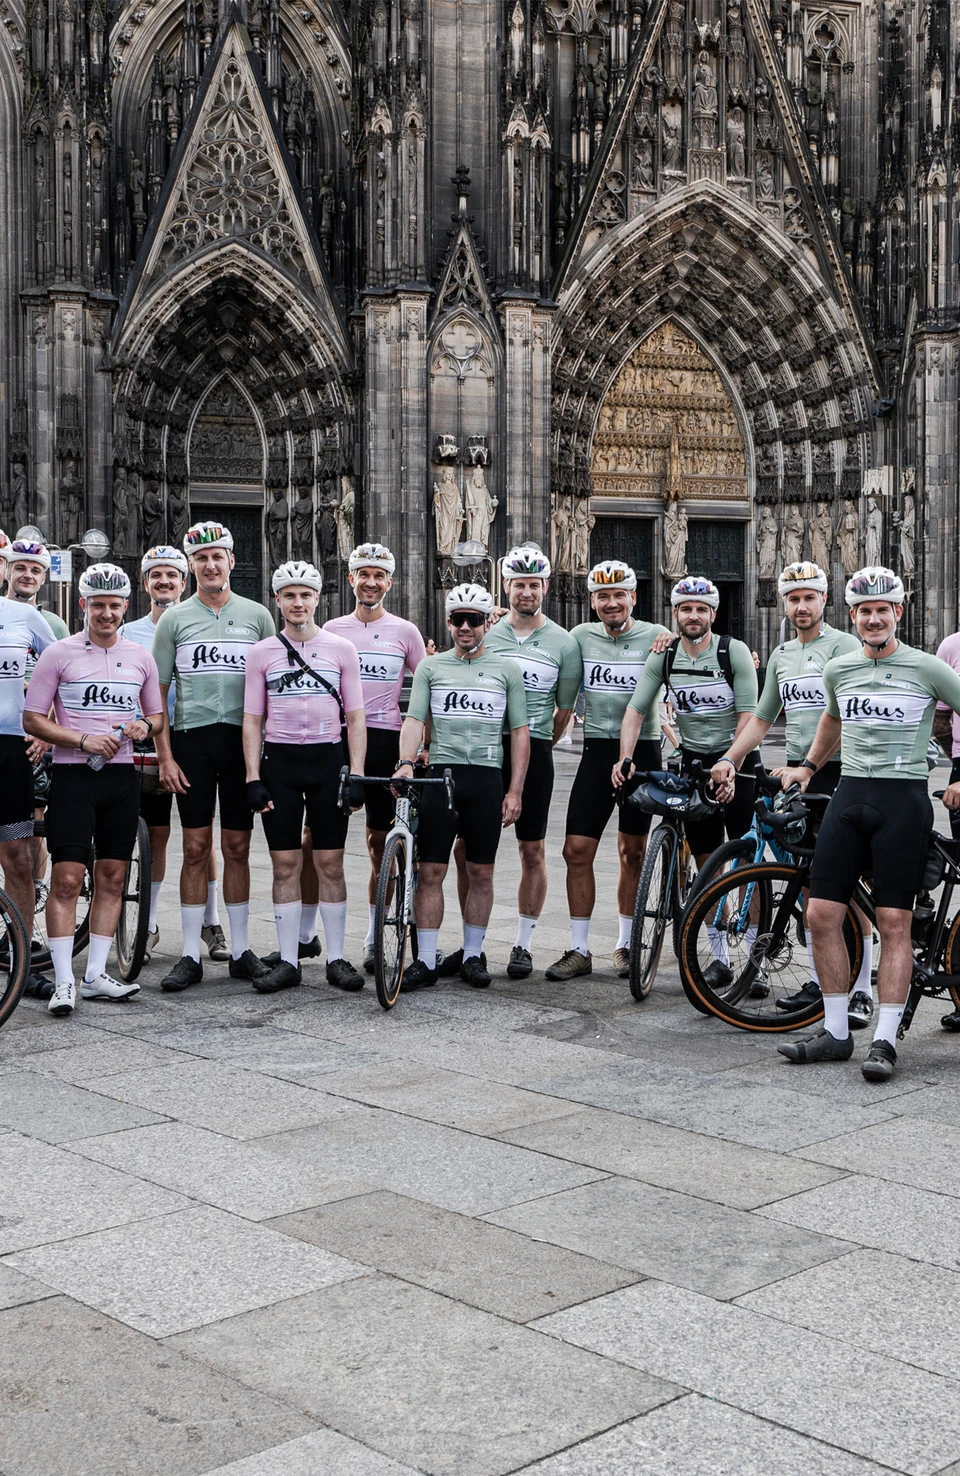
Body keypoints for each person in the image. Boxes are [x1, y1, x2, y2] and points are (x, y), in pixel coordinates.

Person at [774, 567, 960, 1081]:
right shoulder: (840, 670)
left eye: (883, 609)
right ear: (852, 616)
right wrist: (808, 767)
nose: (874, 618)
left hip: (902, 799)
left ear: (898, 613)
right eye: (865, 611)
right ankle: (836, 1033)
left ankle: (884, 1039)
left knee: (894, 923)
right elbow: (832, 719)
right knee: (820, 914)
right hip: (849, 794)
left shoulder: (927, 667)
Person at [709, 561, 872, 1024]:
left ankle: (860, 987)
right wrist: (730, 759)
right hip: (804, 776)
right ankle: (824, 981)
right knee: (812, 878)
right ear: (783, 605)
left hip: (842, 770)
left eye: (809, 597)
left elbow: (848, 716)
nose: (802, 606)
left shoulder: (847, 646)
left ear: (826, 600)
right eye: (794, 599)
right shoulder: (781, 654)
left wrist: (808, 764)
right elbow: (761, 718)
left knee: (846, 881)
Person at [23, 564, 164, 1015]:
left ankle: (96, 974)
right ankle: (64, 980)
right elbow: (33, 718)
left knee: (113, 877)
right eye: (98, 605)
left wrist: (145, 725)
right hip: (73, 776)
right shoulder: (59, 653)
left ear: (126, 607)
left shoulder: (141, 656)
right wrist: (81, 740)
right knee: (66, 879)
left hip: (121, 777)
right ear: (84, 605)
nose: (106, 613)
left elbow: (158, 717)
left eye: (114, 606)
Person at [614, 575, 759, 987]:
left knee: (747, 861)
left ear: (713, 614)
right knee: (708, 863)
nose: (693, 616)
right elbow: (636, 709)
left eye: (701, 609)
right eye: (685, 609)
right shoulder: (664, 656)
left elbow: (749, 715)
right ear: (674, 614)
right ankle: (720, 958)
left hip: (739, 758)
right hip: (695, 762)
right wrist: (625, 757)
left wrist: (732, 761)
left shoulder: (734, 653)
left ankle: (756, 961)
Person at [151, 521, 276, 991]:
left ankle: (242, 949)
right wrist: (165, 756)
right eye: (200, 558)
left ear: (231, 562)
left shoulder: (258, 616)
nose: (209, 564)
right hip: (193, 742)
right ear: (191, 566)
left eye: (216, 556)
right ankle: (188, 954)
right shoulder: (175, 619)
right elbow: (157, 694)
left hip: (242, 744)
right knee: (197, 848)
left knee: (238, 847)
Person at [455, 543, 582, 979]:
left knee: (532, 850)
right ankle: (471, 945)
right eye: (517, 584)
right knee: (465, 850)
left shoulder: (564, 642)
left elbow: (563, 709)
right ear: (504, 586)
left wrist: (538, 736)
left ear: (545, 587)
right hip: (485, 751)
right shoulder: (488, 633)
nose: (525, 592)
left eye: (533, 585)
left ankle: (523, 944)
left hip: (536, 751)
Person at [243, 561, 367, 993]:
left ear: (318, 599)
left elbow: (355, 716)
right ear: (277, 601)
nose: (298, 603)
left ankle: (336, 958)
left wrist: (358, 774)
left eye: (305, 595)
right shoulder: (261, 653)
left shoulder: (341, 649)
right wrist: (252, 776)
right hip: (280, 764)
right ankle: (290, 960)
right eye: (289, 595)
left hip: (327, 762)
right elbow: (252, 720)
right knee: (285, 863)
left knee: (330, 862)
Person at [397, 583, 529, 991]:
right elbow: (415, 720)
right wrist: (404, 763)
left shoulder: (507, 670)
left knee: (481, 872)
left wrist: (515, 791)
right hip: (442, 775)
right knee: (431, 869)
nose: (466, 627)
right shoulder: (432, 668)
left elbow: (521, 733)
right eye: (458, 620)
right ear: (449, 622)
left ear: (489, 622)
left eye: (474, 619)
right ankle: (424, 959)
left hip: (487, 778)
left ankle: (473, 955)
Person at [546, 560, 671, 982]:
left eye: (620, 595)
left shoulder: (657, 636)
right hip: (597, 753)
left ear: (633, 597)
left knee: (632, 852)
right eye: (603, 596)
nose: (612, 602)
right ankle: (579, 949)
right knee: (575, 850)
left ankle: (625, 944)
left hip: (645, 753)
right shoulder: (579, 637)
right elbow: (561, 696)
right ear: (593, 601)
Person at [324, 542, 426, 972]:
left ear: (390, 582)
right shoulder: (331, 628)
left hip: (386, 738)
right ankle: (311, 934)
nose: (370, 582)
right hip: (336, 739)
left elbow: (426, 688)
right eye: (362, 574)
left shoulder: (405, 631)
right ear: (351, 579)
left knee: (378, 843)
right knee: (319, 841)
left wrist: (422, 748)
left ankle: (371, 935)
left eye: (378, 575)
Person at [123, 546, 227, 963]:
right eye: (156, 575)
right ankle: (147, 925)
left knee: (200, 838)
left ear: (185, 582)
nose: (164, 581)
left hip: (192, 739)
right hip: (145, 742)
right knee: (158, 835)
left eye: (172, 575)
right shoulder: (129, 631)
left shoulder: (194, 620)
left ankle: (211, 921)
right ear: (145, 582)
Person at [0, 532, 57, 973]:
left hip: (8, 746)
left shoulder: (24, 617)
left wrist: (46, 729)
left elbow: (62, 672)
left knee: (18, 855)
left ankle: (20, 951)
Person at [2, 538, 69, 641]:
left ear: (43, 579)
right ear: (7, 572)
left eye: (35, 571)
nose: (28, 575)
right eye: (20, 568)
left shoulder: (55, 625)